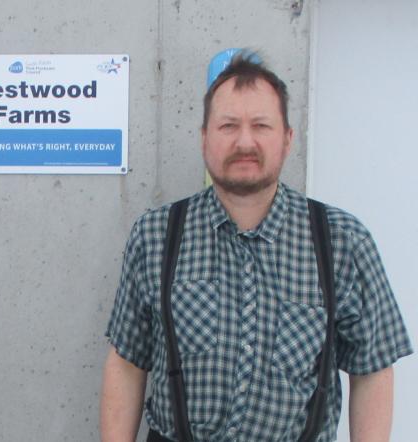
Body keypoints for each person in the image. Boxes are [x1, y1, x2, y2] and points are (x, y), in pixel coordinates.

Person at [99, 52, 412, 441]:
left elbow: (373, 369)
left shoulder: (343, 240)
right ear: (204, 138)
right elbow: (128, 361)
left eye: (261, 125)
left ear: (287, 139)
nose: (244, 141)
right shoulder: (156, 235)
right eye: (228, 125)